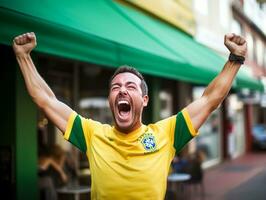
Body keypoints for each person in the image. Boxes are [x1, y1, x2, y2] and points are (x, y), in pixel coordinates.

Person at [12, 32, 247, 200]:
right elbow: (46, 100)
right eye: (116, 87)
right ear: (110, 101)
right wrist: (23, 56)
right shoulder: (92, 134)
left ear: (144, 101)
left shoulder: (167, 133)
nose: (122, 90)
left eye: (131, 87)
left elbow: (209, 100)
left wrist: (235, 60)